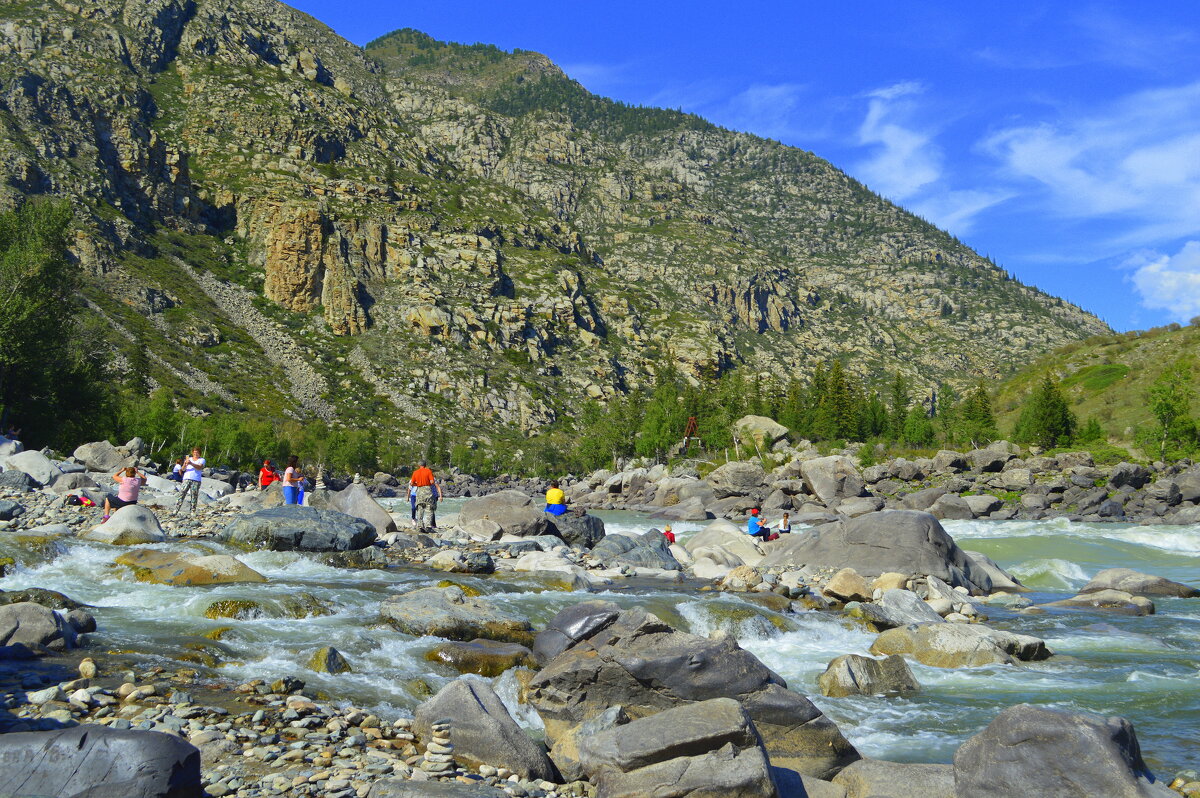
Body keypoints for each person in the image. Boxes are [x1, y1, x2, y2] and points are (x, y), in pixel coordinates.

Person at [172, 448, 205, 516]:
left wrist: (191, 463)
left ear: (199, 453)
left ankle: (192, 511)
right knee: (182, 493)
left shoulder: (201, 460)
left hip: (196, 479)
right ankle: (176, 509)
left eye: (197, 452)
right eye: (194, 452)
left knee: (194, 495)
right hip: (187, 478)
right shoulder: (188, 459)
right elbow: (183, 469)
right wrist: (185, 464)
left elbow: (199, 467)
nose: (195, 454)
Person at [410, 459, 438, 533]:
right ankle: (428, 526)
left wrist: (418, 484)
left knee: (420, 508)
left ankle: (420, 526)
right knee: (430, 507)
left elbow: (412, 483)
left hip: (419, 491)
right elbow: (432, 481)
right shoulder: (428, 471)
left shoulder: (415, 472)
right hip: (428, 490)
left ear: (419, 465)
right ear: (425, 465)